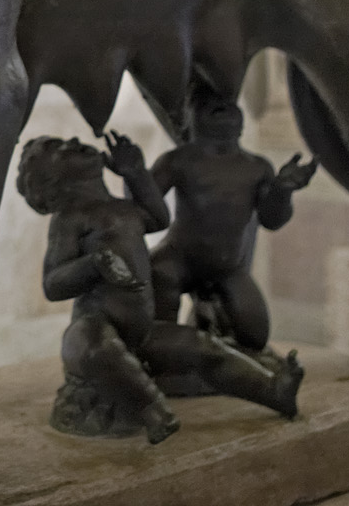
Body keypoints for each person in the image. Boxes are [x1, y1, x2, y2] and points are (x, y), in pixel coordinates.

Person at [17, 134, 303, 440]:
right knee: (96, 347)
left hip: (142, 332)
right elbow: (52, 285)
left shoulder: (124, 209)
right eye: (56, 149)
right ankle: (150, 408)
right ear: (52, 180)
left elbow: (159, 218)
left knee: (205, 348)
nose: (72, 139)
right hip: (98, 326)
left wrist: (135, 172)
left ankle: (275, 391)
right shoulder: (70, 220)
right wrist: (94, 264)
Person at [146, 102, 318, 354]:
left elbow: (272, 220)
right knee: (160, 279)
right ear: (192, 120)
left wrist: (283, 190)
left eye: (227, 104)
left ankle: (206, 334)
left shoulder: (257, 167)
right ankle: (165, 355)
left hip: (226, 267)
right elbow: (143, 207)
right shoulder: (177, 161)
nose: (221, 108)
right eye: (210, 103)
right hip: (178, 258)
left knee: (254, 337)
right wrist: (134, 176)